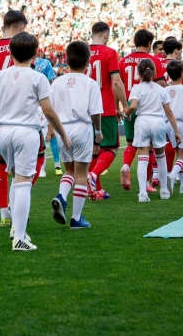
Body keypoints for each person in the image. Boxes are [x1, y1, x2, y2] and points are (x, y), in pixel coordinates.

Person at [0, 32, 70, 251]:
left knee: (14, 179)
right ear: (35, 54)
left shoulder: (1, 75)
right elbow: (48, 111)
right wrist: (62, 134)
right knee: (23, 182)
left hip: (2, 133)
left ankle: (15, 229)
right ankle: (19, 237)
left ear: (10, 53)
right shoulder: (38, 77)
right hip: (26, 133)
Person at [49, 41, 103, 229]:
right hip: (82, 127)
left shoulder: (57, 82)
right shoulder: (90, 83)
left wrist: (52, 130)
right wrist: (98, 131)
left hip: (62, 128)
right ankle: (76, 218)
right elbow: (95, 111)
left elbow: (51, 110)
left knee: (70, 171)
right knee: (82, 174)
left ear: (66, 59)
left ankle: (61, 197)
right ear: (88, 61)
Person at [0, 10, 27, 227]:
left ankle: (4, 212)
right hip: (20, 115)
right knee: (25, 165)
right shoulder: (22, 47)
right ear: (20, 27)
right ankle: (17, 205)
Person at [123, 59, 181, 203]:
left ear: (139, 73)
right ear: (154, 72)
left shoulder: (137, 88)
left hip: (143, 121)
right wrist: (176, 131)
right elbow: (169, 112)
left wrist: (126, 114)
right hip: (158, 121)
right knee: (160, 157)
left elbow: (133, 106)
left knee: (143, 158)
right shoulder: (161, 89)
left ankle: (143, 193)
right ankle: (164, 191)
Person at [119, 30, 166, 191]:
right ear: (148, 44)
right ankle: (146, 184)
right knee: (149, 147)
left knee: (132, 143)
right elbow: (160, 85)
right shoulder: (153, 61)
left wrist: (122, 107)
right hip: (148, 107)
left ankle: (126, 165)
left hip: (130, 105)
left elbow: (117, 84)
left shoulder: (123, 61)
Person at [86, 22, 127, 200]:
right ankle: (93, 176)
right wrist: (124, 105)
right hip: (104, 107)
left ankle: (97, 189)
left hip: (84, 108)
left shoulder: (82, 51)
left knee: (95, 150)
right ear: (105, 35)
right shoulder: (109, 52)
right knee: (111, 148)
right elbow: (116, 82)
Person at [163, 61, 183, 194]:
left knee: (178, 153)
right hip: (181, 123)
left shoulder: (165, 90)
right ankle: (172, 175)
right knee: (182, 156)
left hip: (168, 123)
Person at [33, 54, 61, 176]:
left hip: (44, 99)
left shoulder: (45, 63)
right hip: (29, 102)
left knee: (51, 131)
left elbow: (52, 80)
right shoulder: (20, 62)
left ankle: (57, 165)